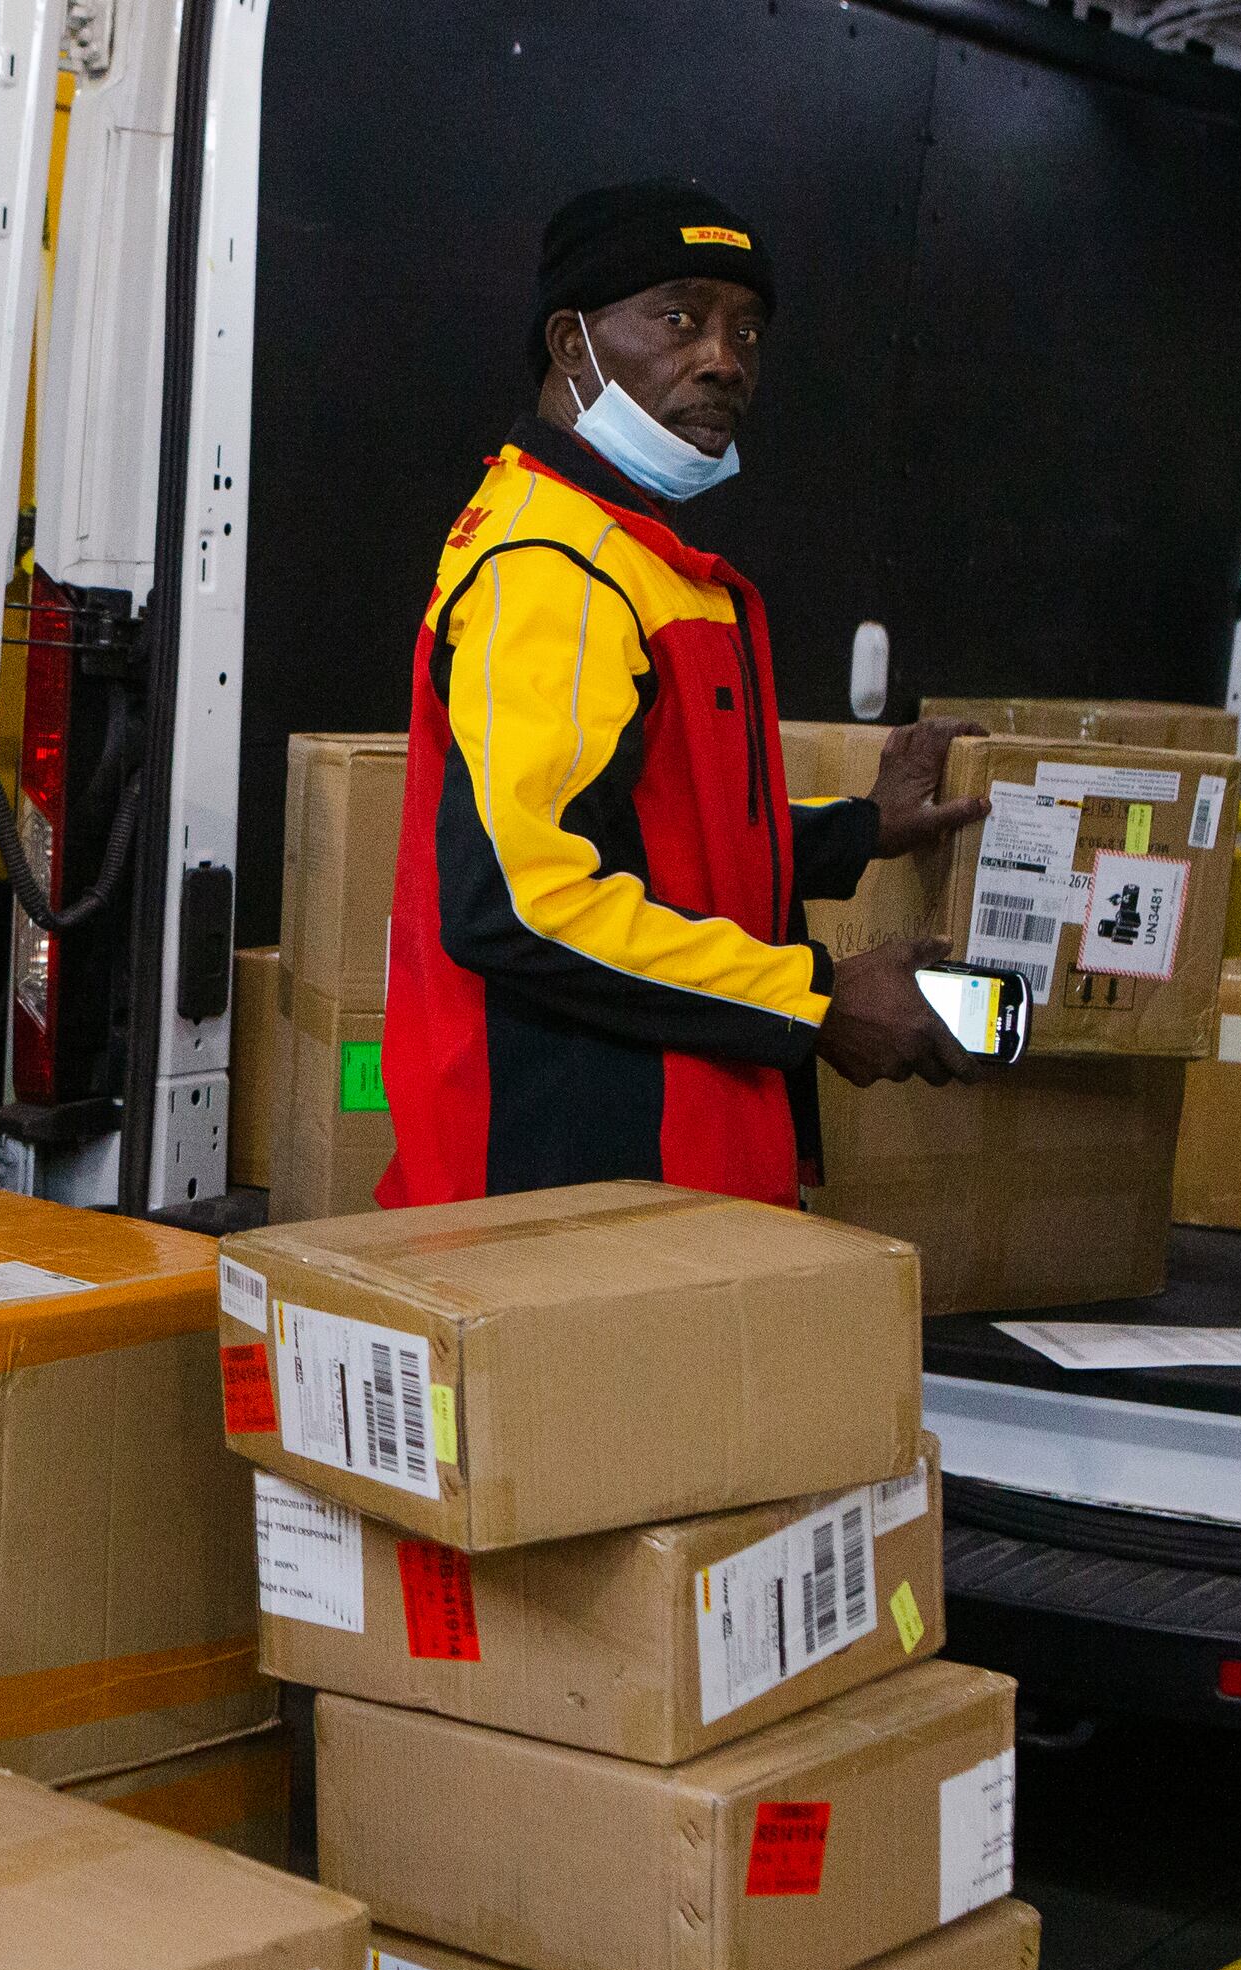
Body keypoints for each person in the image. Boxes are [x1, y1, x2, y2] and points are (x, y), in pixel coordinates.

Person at [379, 181, 988, 1214]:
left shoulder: (630, 554)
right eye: (679, 318)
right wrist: (816, 999)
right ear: (570, 343)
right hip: (564, 1197)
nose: (724, 360)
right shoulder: (553, 568)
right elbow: (526, 902)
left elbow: (656, 828)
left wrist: (859, 832)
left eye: (746, 330)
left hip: (663, 1177)